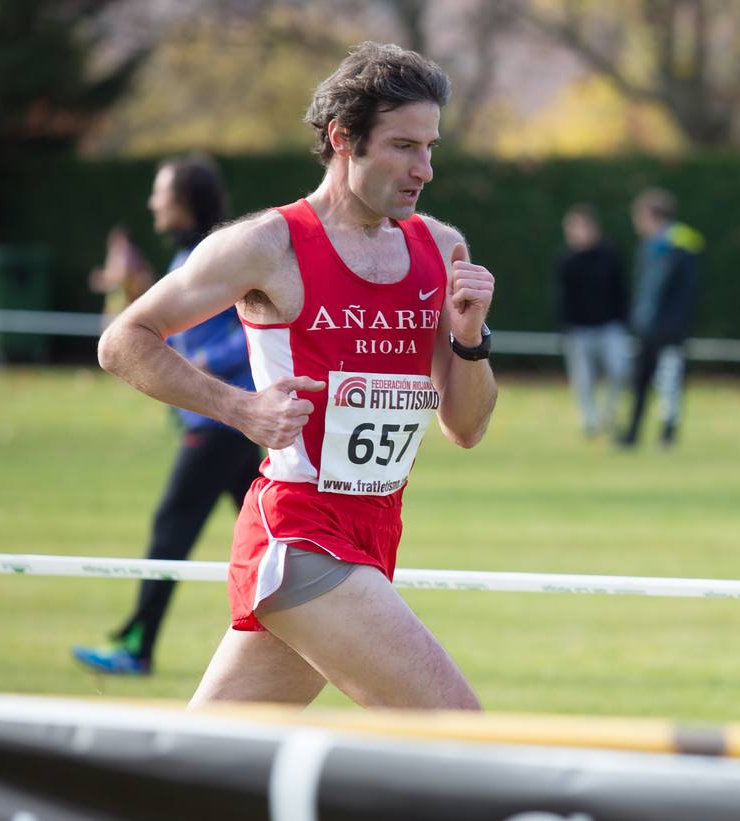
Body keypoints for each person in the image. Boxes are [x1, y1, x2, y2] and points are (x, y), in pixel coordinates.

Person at [98, 42, 497, 710]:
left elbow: (466, 426)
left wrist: (469, 339)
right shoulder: (268, 244)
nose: (423, 169)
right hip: (299, 533)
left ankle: (68, 819)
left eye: (430, 148)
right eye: (403, 146)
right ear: (344, 139)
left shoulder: (442, 247)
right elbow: (123, 341)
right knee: (460, 732)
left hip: (375, 528)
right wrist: (239, 408)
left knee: (209, 771)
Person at [74, 154, 263, 676]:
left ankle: (137, 649)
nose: (153, 201)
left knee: (169, 534)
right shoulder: (190, 258)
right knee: (273, 536)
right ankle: (318, 627)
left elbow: (255, 328)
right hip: (227, 424)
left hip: (219, 423)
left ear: (183, 201)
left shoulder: (211, 258)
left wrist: (203, 363)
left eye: (160, 192)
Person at [619, 187, 703, 449]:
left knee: (669, 381)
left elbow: (686, 293)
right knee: (640, 382)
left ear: (651, 215)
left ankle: (667, 434)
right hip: (645, 327)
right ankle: (632, 433)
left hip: (669, 330)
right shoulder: (648, 246)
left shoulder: (682, 244)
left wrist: (674, 325)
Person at [556, 204, 630, 437]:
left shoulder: (609, 254)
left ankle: (608, 414)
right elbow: (562, 296)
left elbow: (621, 289)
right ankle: (589, 421)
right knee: (583, 380)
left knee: (620, 370)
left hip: (609, 326)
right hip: (579, 330)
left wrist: (623, 320)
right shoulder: (566, 260)